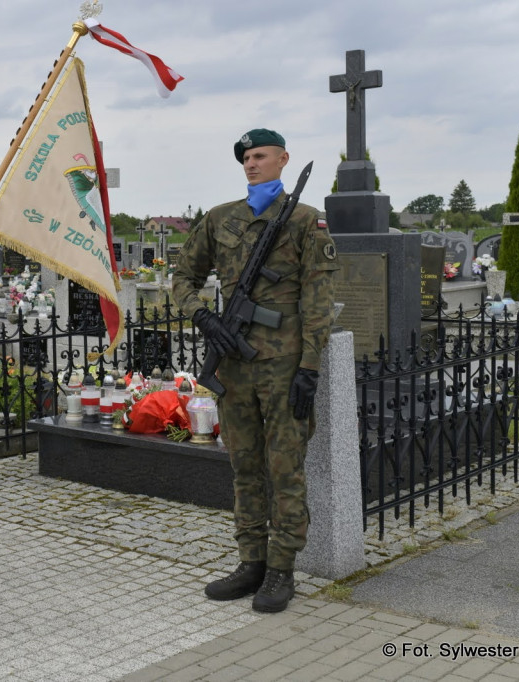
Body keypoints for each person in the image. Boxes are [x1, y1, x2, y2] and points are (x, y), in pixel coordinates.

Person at [171, 128, 339, 613]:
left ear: (283, 159)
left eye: (260, 156)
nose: (251, 163)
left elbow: (318, 299)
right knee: (244, 467)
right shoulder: (219, 220)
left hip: (284, 366)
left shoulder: (306, 222)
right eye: (246, 157)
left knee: (284, 468)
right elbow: (184, 277)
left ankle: (282, 568)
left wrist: (310, 366)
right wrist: (201, 314)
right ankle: (251, 562)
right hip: (235, 364)